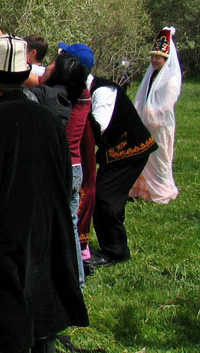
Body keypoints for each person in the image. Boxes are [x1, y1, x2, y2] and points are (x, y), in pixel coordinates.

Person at [0, 35, 88, 353]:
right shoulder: (51, 122)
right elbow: (65, 182)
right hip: (47, 237)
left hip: (4, 246)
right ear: (23, 80)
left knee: (9, 330)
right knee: (42, 326)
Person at [62, 42, 157, 268]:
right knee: (109, 199)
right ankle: (114, 242)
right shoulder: (77, 87)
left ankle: (115, 252)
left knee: (105, 199)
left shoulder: (103, 91)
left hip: (130, 150)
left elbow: (98, 128)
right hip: (113, 151)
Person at [35, 51, 90, 286]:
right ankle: (76, 279)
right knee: (69, 225)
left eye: (52, 65)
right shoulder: (82, 94)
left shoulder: (51, 97)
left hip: (56, 167)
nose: (47, 67)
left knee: (43, 224)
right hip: (76, 167)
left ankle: (47, 280)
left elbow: (24, 81)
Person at [130, 27, 181, 204]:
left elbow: (166, 105)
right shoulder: (152, 76)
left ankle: (161, 190)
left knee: (160, 160)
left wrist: (150, 115)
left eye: (157, 57)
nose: (154, 60)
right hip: (147, 124)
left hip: (160, 126)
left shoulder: (171, 79)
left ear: (166, 59)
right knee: (145, 158)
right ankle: (144, 190)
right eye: (152, 57)